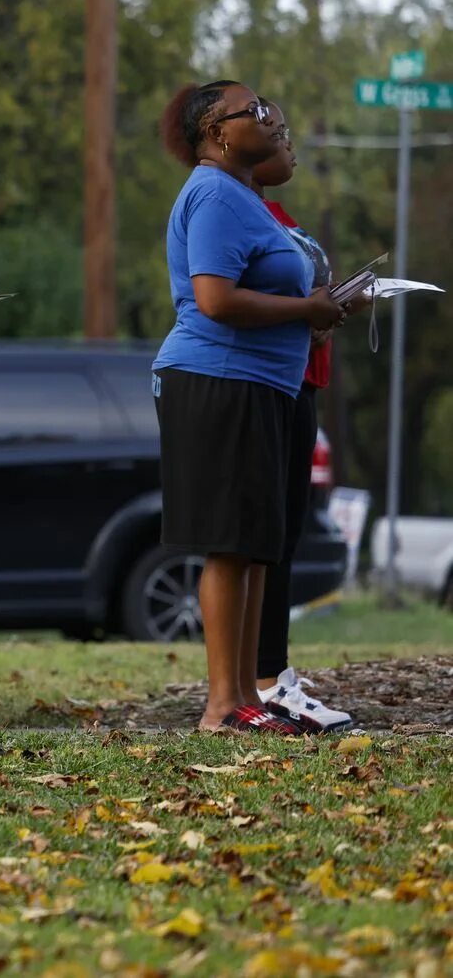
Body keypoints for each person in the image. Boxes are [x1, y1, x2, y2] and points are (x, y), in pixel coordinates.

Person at [153, 80, 345, 735]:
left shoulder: (245, 199)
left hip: (262, 384)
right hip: (218, 378)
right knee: (230, 546)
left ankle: (248, 699)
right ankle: (220, 707)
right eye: (254, 110)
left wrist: (312, 320)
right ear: (217, 129)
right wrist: (306, 310)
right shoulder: (211, 193)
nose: (269, 118)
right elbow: (213, 298)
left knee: (256, 545)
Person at [250, 101, 359, 733]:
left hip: (300, 380)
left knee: (285, 535)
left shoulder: (281, 214)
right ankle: (262, 678)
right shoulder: (237, 210)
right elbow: (227, 296)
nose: (288, 146)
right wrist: (305, 312)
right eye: (277, 136)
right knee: (265, 537)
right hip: (270, 384)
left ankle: (273, 672)